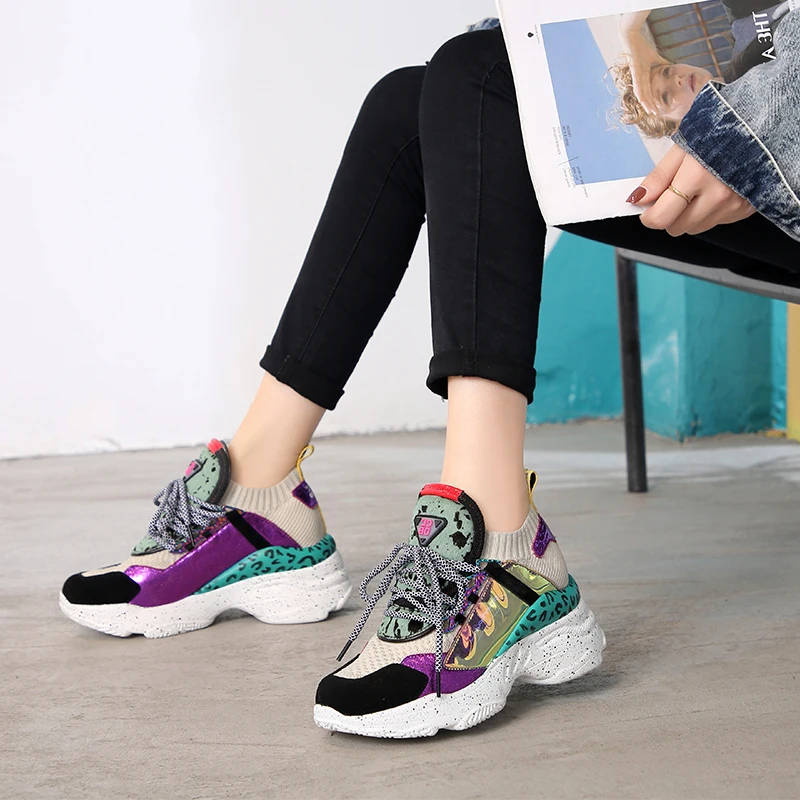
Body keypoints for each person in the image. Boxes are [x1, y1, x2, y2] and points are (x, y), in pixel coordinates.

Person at [59, 14, 800, 738]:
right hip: (735, 113)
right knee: (415, 99)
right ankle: (258, 485)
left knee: (480, 78)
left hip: (779, 127)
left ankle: (498, 535)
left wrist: (752, 127)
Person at [612, 2, 793, 138]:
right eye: (665, 96)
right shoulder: (768, 131)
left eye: (666, 72)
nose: (676, 79)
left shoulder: (744, 22)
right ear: (680, 127)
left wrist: (628, 30)